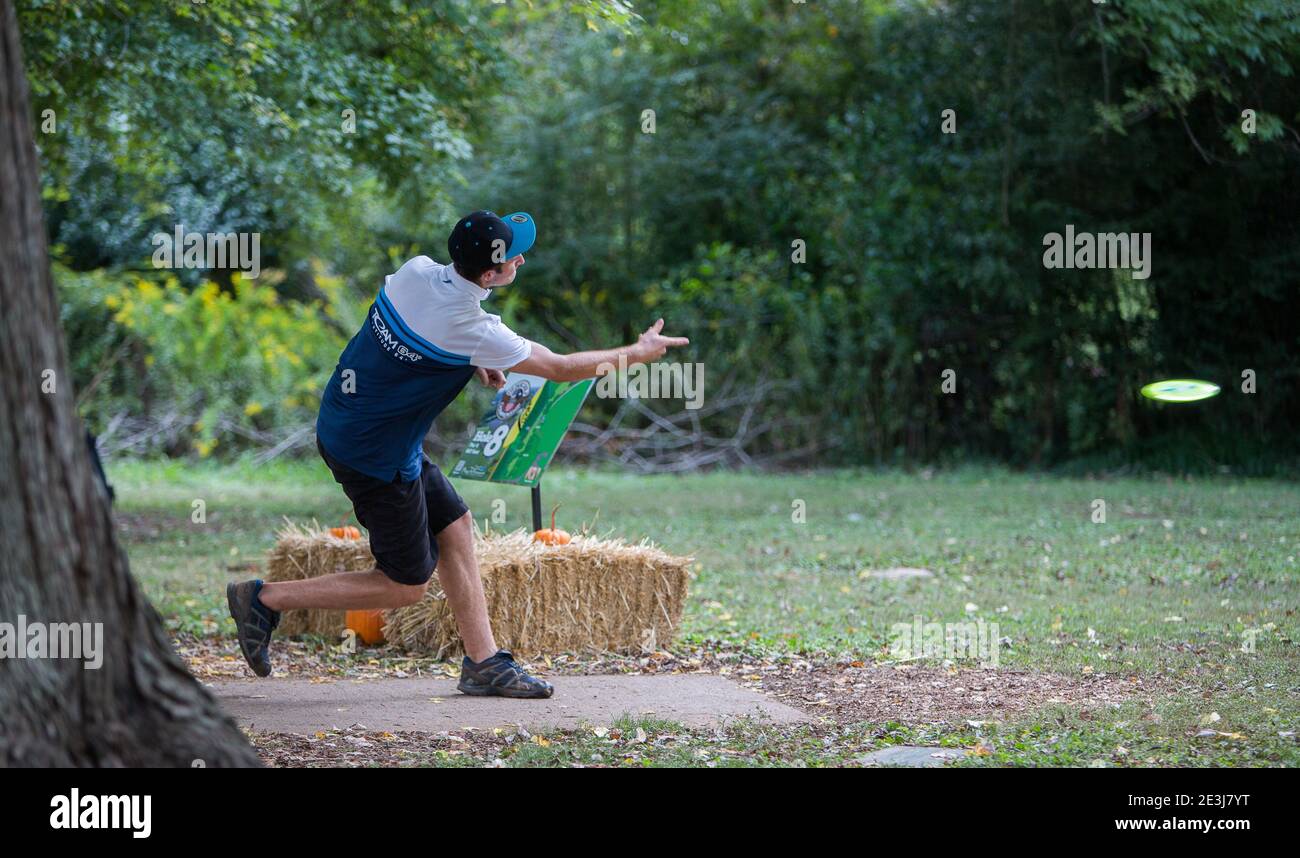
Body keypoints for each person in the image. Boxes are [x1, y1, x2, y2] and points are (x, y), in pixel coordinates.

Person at [227, 211, 688, 697]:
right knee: (405, 585)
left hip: (353, 422)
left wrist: (471, 362)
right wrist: (636, 352)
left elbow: (419, 340)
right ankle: (265, 598)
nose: (522, 258)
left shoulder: (415, 271)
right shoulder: (473, 327)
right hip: (373, 454)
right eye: (514, 256)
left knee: (456, 527)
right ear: (491, 275)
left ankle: (484, 663)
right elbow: (558, 367)